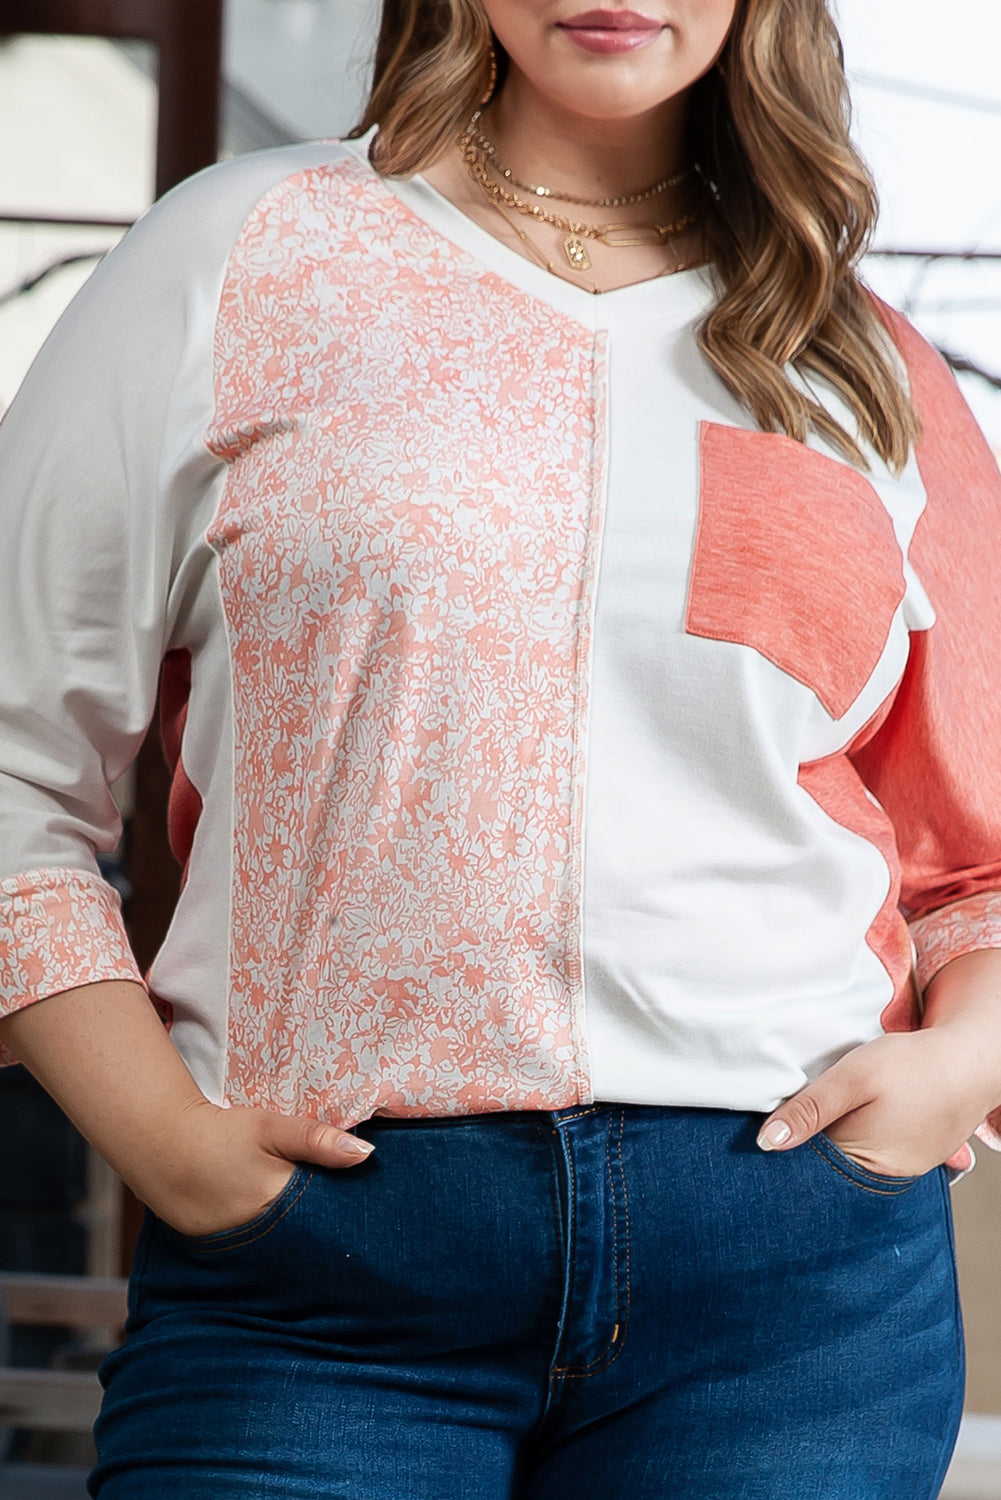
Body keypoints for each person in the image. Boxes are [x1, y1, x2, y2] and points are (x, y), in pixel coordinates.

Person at [1, 0, 1000, 1493]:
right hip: (320, 1278)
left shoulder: (857, 357)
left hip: (787, 1283)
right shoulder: (241, 255)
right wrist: (160, 1139)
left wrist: (955, 1067)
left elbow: (976, 857)